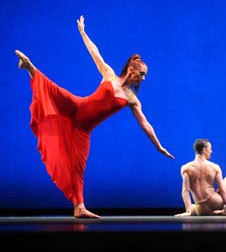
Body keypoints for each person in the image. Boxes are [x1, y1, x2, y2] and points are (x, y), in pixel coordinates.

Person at [15, 15, 175, 219]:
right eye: (142, 73)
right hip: (77, 106)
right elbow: (94, 52)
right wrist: (83, 32)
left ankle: (79, 207)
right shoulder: (109, 74)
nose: (143, 78)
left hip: (83, 130)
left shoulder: (132, 99)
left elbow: (146, 124)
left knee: (78, 167)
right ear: (131, 69)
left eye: (144, 75)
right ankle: (30, 67)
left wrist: (158, 146)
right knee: (56, 92)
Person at [175, 139, 226, 216]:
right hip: (216, 203)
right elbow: (223, 190)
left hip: (201, 210)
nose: (211, 151)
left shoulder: (186, 168)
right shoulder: (214, 167)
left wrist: (188, 211)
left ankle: (197, 210)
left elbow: (185, 190)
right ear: (204, 150)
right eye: (210, 149)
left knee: (193, 206)